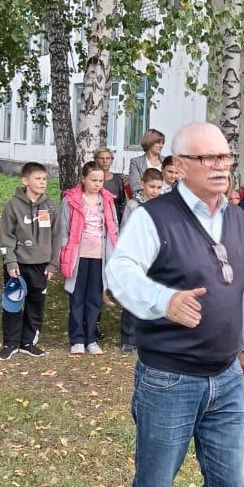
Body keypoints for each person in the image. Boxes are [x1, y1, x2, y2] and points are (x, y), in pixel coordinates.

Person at [106, 122, 244, 487]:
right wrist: (163, 300)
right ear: (182, 166)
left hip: (226, 378)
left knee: (228, 481)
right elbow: (120, 272)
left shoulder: (237, 218)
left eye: (225, 157)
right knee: (155, 485)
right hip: (169, 377)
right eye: (209, 158)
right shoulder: (155, 217)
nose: (221, 166)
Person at [0, 162, 60, 360]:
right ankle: (10, 343)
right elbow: (6, 237)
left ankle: (28, 342)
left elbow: (57, 237)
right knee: (13, 304)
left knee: (36, 305)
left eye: (44, 179)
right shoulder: (12, 206)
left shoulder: (50, 207)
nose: (43, 182)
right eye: (38, 178)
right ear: (25, 181)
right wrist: (10, 262)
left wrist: (53, 264)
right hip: (17, 265)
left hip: (41, 266)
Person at [58, 161, 119, 355]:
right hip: (78, 256)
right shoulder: (71, 200)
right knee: (77, 298)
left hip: (99, 257)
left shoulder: (107, 200)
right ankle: (77, 339)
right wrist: (64, 252)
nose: (97, 184)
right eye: (93, 180)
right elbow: (63, 229)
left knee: (94, 298)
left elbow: (113, 227)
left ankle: (91, 338)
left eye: (101, 180)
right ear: (83, 179)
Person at [119, 167, 167, 353]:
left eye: (159, 187)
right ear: (143, 185)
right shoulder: (133, 205)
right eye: (152, 187)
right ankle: (128, 339)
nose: (155, 191)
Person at [94, 147, 128, 221]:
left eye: (108, 158)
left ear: (112, 160)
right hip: (96, 219)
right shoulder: (91, 179)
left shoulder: (117, 180)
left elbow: (122, 204)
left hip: (115, 219)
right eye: (101, 158)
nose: (105, 161)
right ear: (96, 160)